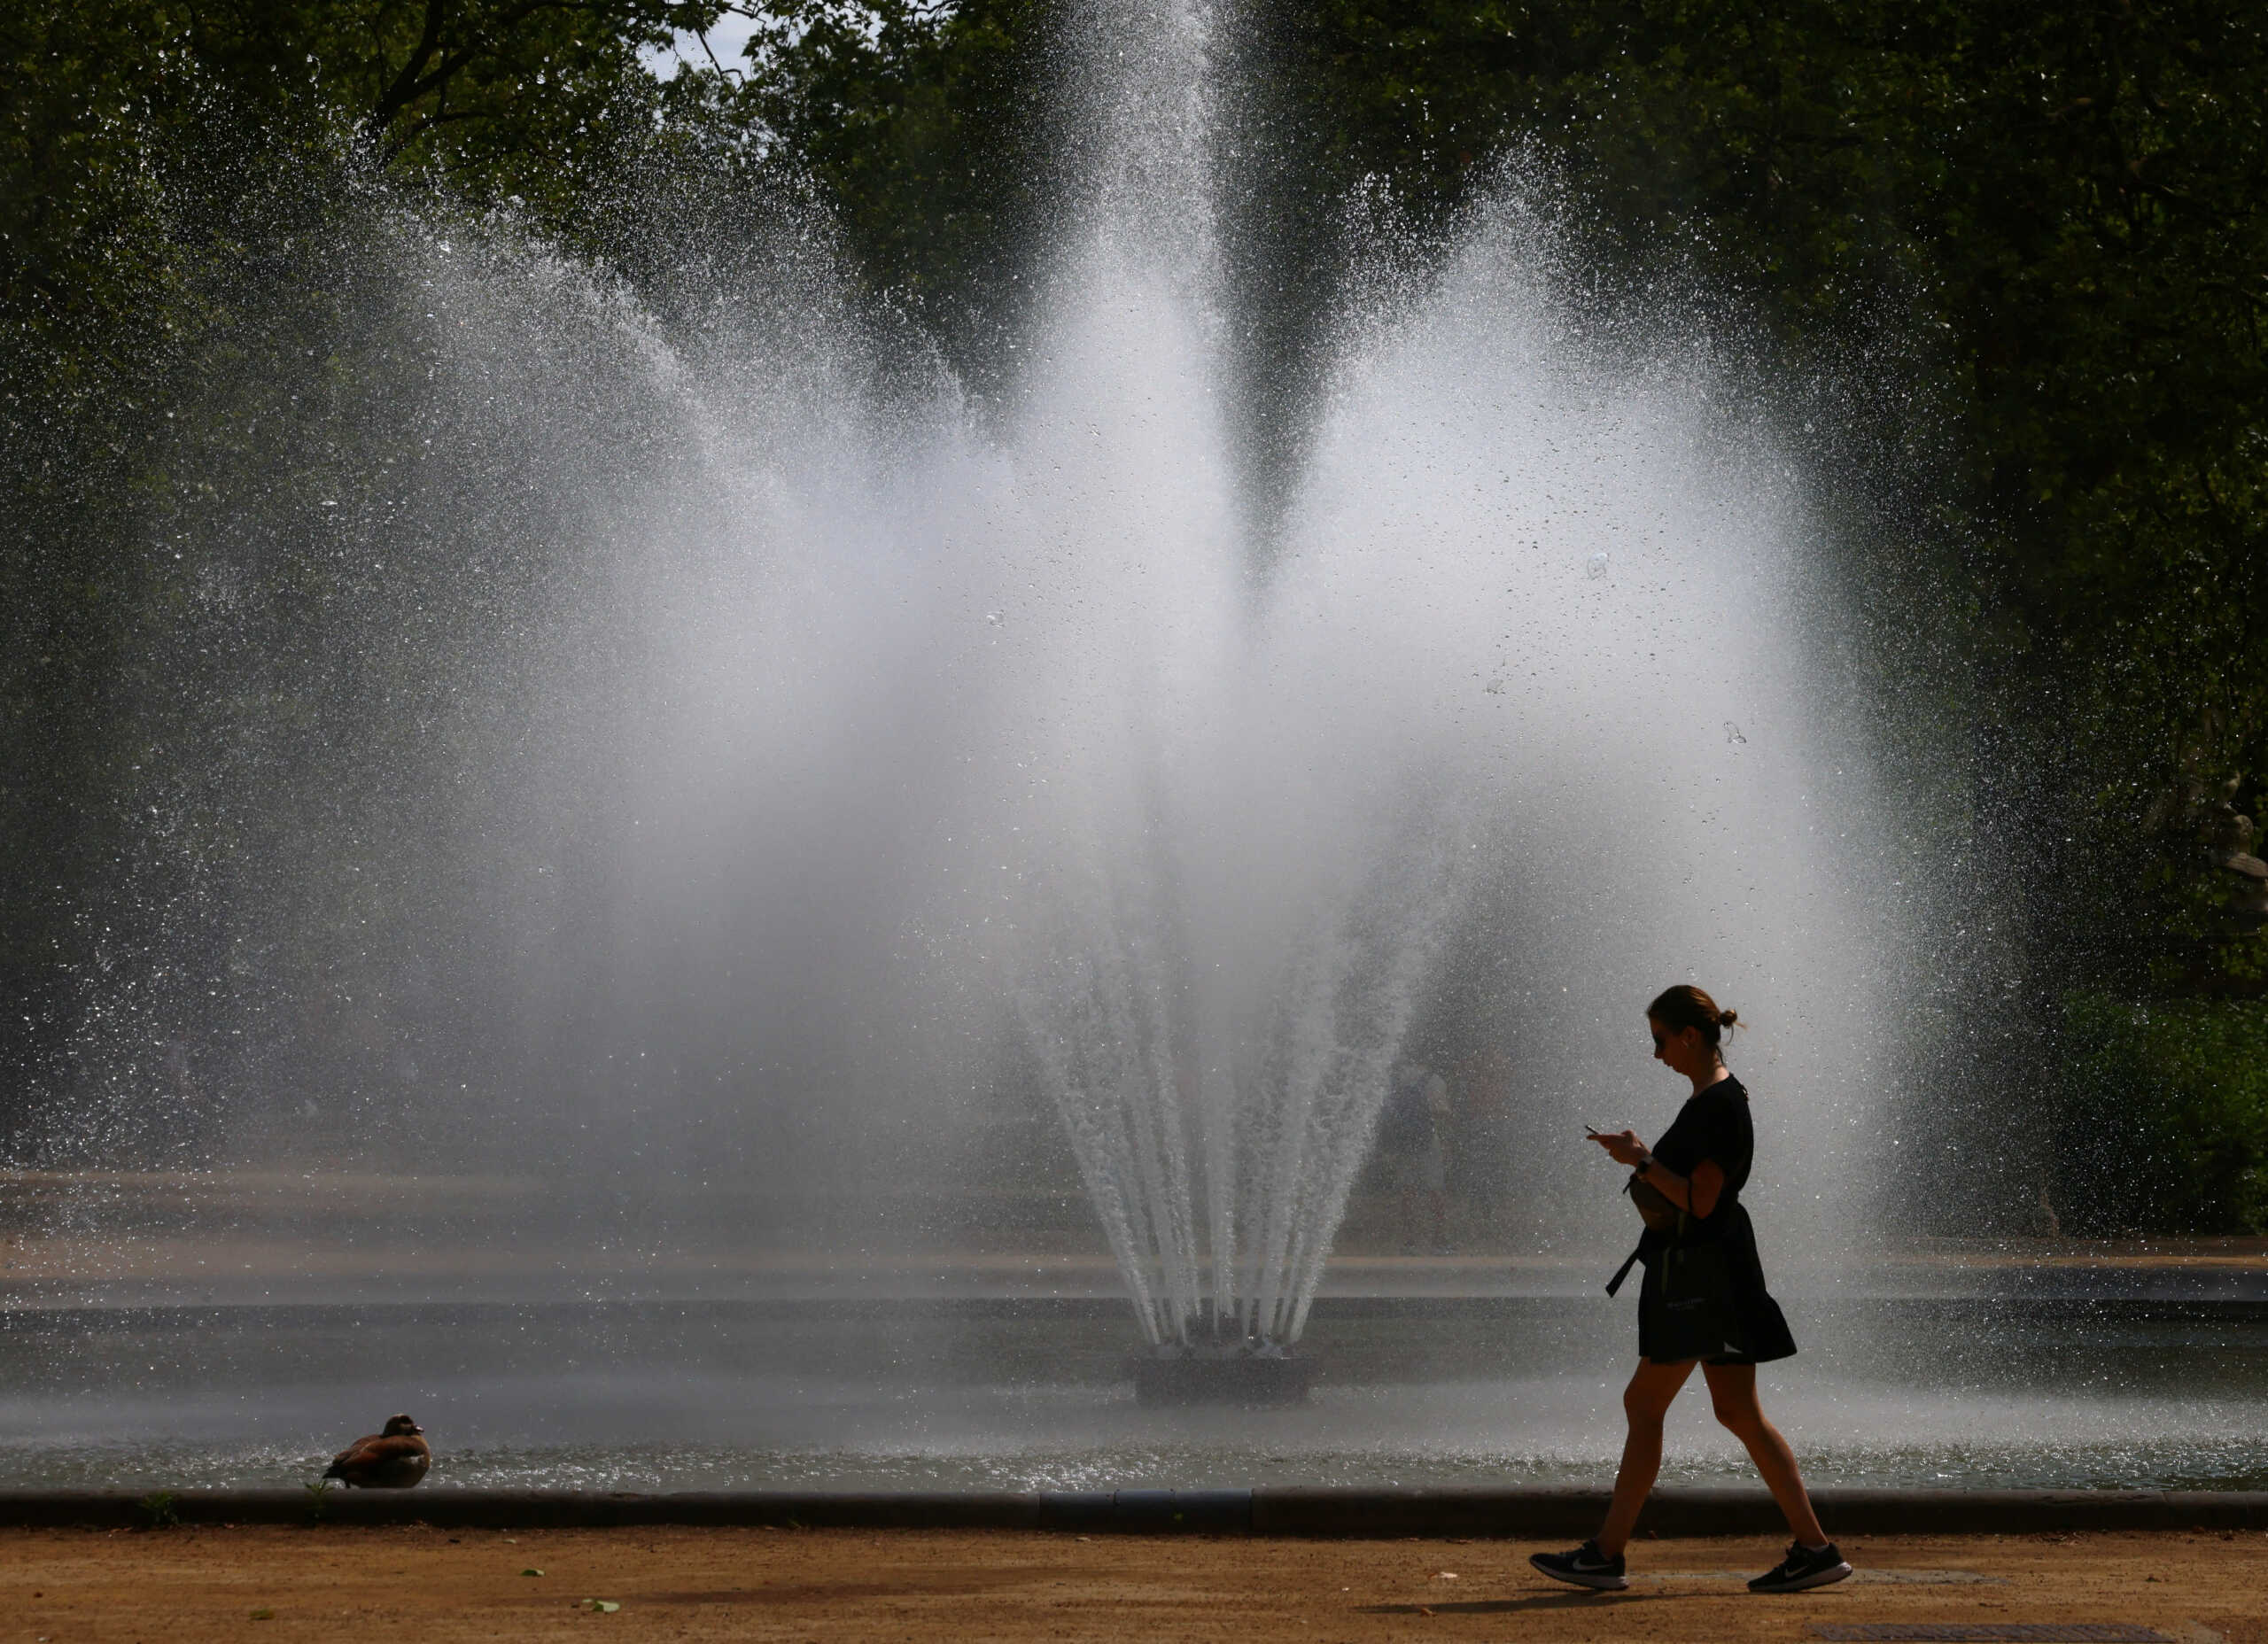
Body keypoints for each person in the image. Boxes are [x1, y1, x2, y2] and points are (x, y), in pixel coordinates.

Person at [1527, 985, 1851, 1595]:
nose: (1656, 1055)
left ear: (1690, 1037)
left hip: (1704, 1279)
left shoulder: (1719, 1105)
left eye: (1660, 1040)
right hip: (1707, 1274)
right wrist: (1642, 1160)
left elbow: (1701, 1202)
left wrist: (1641, 1160)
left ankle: (1606, 1555)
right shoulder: (1715, 1099)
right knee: (1733, 1412)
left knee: (1651, 1406)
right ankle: (1813, 1548)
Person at [1376, 1062, 1451, 1252]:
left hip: (1403, 1142)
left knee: (1407, 1190)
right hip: (1428, 1141)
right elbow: (1441, 1111)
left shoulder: (1396, 1078)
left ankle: (1410, 1241)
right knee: (1435, 1190)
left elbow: (1387, 1110)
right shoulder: (1434, 1079)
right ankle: (1440, 1241)